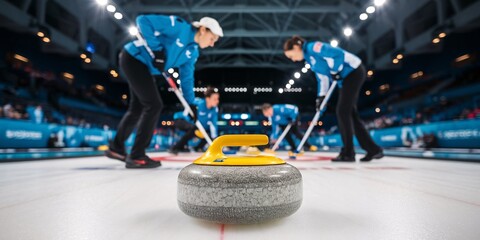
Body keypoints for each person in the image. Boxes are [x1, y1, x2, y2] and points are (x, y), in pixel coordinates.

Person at [105, 15, 223, 168]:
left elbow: (187, 79)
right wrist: (157, 50)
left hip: (144, 68)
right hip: (134, 58)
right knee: (154, 105)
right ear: (202, 30)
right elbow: (142, 21)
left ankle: (116, 148)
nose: (212, 44)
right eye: (212, 38)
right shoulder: (180, 27)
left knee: (138, 107)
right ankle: (137, 156)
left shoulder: (193, 52)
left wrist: (191, 103)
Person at [283, 35, 383, 162]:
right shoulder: (309, 59)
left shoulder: (313, 47)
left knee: (342, 111)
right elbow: (322, 78)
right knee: (350, 114)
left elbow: (338, 54)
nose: (293, 60)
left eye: (291, 56)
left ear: (296, 47)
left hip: (353, 71)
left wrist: (335, 71)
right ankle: (373, 150)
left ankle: (348, 153)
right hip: (344, 78)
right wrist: (321, 97)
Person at [169, 87, 219, 154]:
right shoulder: (198, 103)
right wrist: (192, 109)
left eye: (218, 99)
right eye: (215, 99)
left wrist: (214, 139)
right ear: (208, 99)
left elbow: (214, 125)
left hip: (196, 127)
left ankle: (198, 148)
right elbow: (186, 111)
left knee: (207, 135)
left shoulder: (215, 109)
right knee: (192, 129)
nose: (217, 101)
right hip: (181, 120)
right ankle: (175, 148)